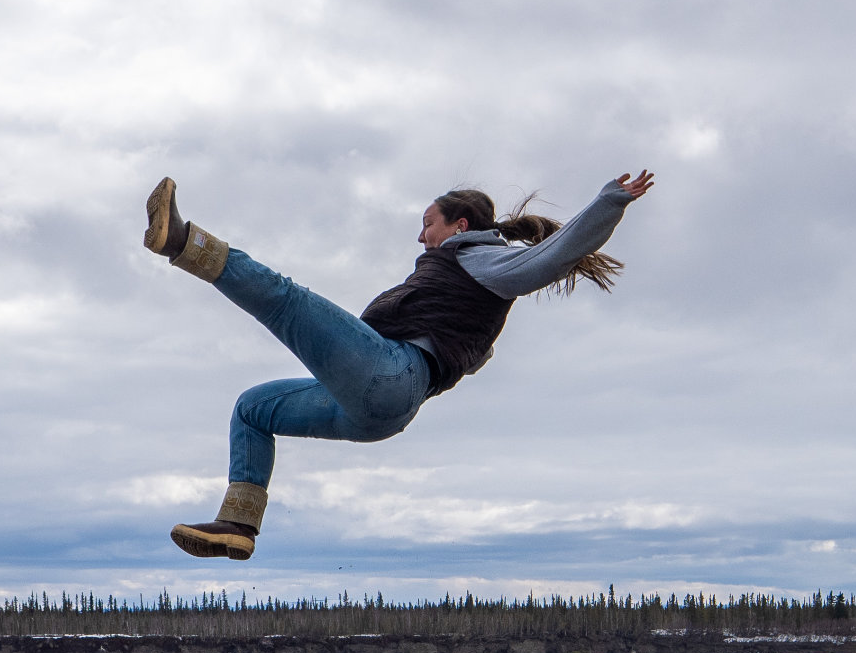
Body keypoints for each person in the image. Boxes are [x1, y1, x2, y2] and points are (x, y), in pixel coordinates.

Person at [146, 172, 653, 559]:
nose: (420, 237)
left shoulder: (483, 261)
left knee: (285, 300)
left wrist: (609, 203)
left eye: (427, 223)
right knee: (253, 408)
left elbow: (550, 258)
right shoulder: (458, 284)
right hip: (375, 413)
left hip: (393, 376)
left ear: (460, 227)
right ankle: (239, 527)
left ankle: (180, 240)